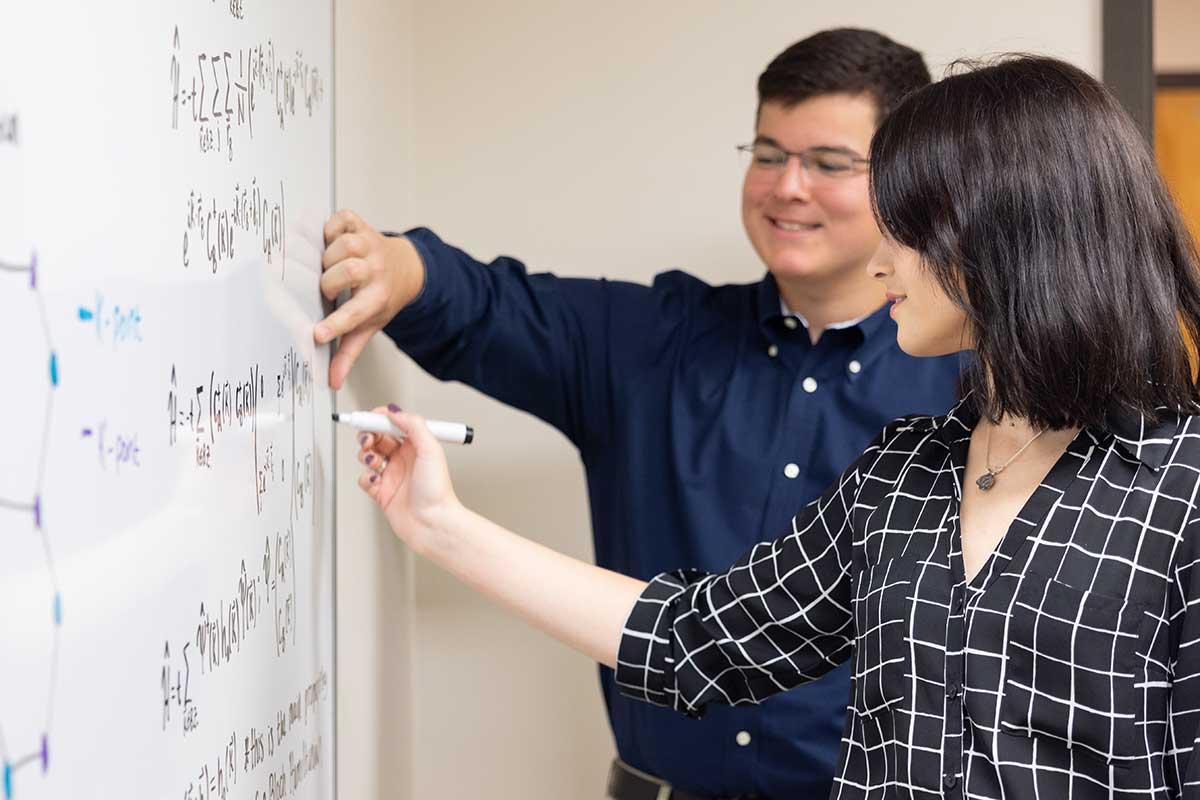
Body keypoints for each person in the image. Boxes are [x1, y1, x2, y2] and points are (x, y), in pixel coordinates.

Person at [352, 55, 1200, 797]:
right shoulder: (904, 472)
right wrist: (438, 524)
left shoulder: (1183, 489)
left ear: (1006, 238)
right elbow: (695, 641)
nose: (879, 260)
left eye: (906, 230)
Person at [316, 29, 961, 798]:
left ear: (906, 182)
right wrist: (400, 266)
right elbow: (496, 309)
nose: (788, 187)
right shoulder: (657, 340)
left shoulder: (975, 389)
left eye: (827, 164)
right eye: (767, 154)